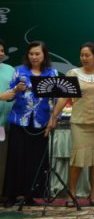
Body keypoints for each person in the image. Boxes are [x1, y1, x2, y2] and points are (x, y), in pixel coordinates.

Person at [47, 42, 94, 206]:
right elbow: (63, 97)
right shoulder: (72, 73)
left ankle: (93, 194)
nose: (84, 58)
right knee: (77, 160)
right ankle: (72, 193)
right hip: (79, 123)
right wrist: (53, 116)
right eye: (82, 55)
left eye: (88, 55)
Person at [3, 40, 58, 207]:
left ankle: (31, 195)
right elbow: (9, 95)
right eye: (31, 54)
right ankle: (11, 195)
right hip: (20, 121)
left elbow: (57, 98)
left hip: (41, 122)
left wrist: (53, 118)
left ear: (44, 55)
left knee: (35, 160)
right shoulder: (19, 71)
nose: (34, 57)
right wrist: (16, 90)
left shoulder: (52, 73)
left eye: (37, 54)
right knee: (16, 158)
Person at [0, 39, 15, 200]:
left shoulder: (10, 69)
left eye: (3, 50)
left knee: (3, 162)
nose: (1, 53)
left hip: (6, 124)